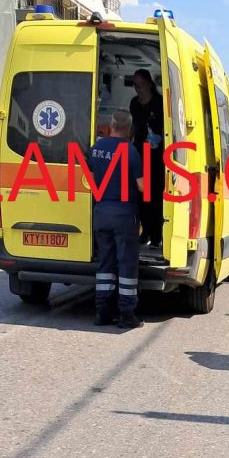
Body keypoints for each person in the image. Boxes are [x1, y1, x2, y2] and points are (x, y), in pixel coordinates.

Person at [89, 110, 145, 329]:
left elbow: (90, 179)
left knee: (105, 262)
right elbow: (141, 186)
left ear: (110, 126)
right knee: (126, 263)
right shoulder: (131, 152)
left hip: (102, 212)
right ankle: (126, 314)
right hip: (124, 215)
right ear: (130, 129)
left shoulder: (96, 149)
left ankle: (101, 312)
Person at [129, 69, 165, 248]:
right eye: (135, 85)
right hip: (140, 153)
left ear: (149, 84)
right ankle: (145, 231)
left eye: (141, 85)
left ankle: (157, 234)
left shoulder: (159, 103)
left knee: (156, 196)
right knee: (141, 194)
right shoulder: (134, 104)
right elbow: (134, 126)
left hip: (157, 155)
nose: (138, 89)